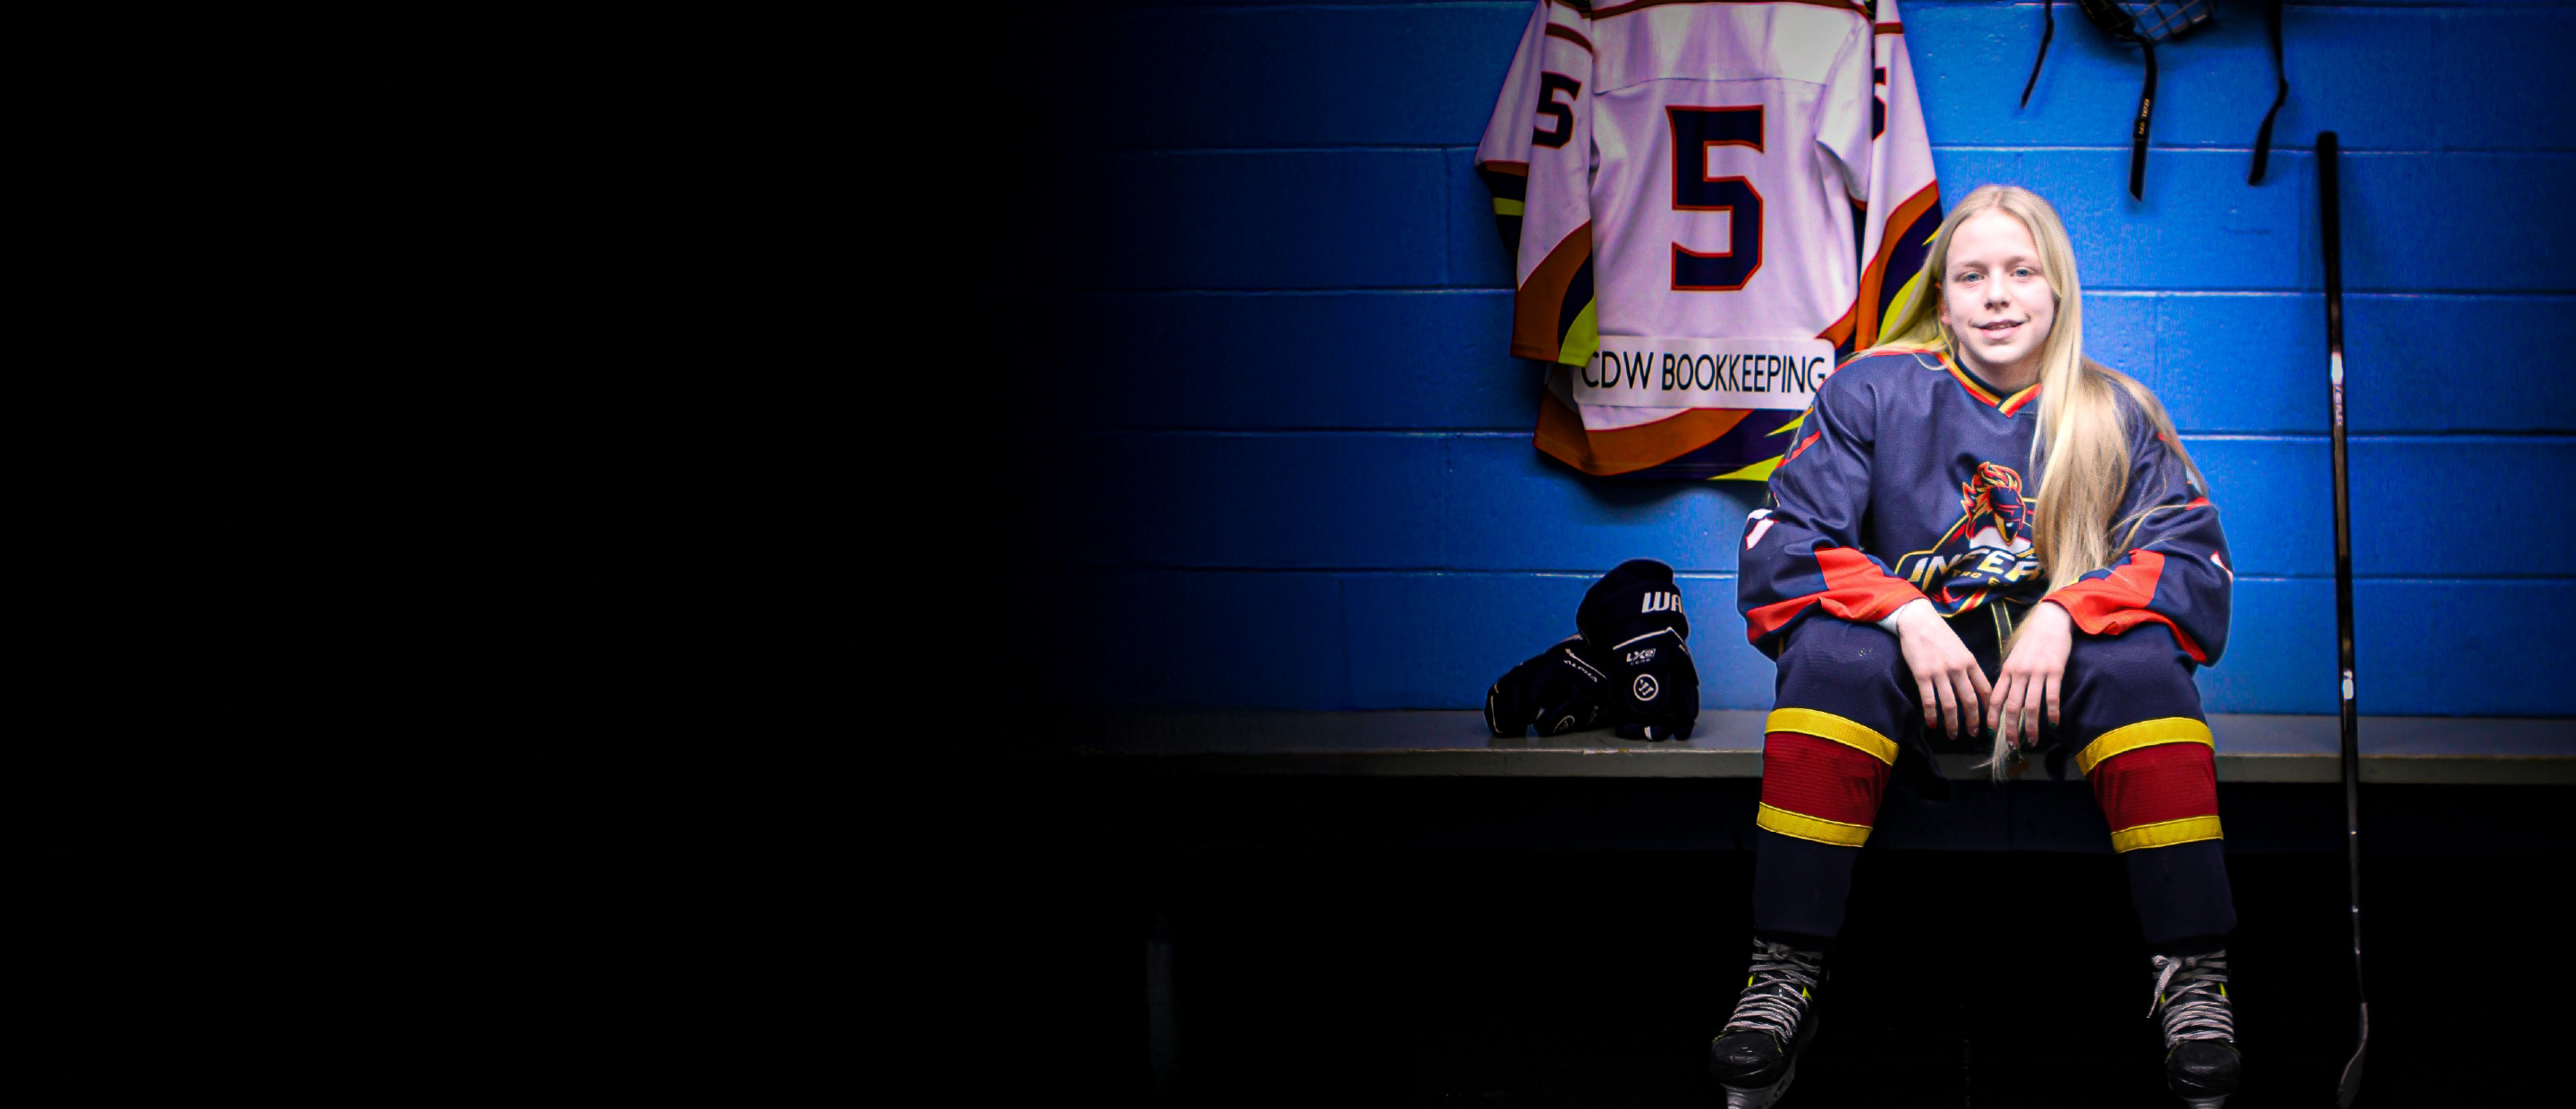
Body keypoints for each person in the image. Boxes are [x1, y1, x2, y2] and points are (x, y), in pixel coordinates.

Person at [1716, 185, 2241, 1109]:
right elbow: (1781, 543)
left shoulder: (2116, 410)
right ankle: (1784, 968)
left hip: (2055, 692)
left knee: (2142, 663)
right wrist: (1907, 614)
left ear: (2058, 289)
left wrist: (2068, 609)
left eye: (2020, 271)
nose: (1997, 295)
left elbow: (2191, 562)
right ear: (1943, 295)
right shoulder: (1870, 387)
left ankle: (2191, 974)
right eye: (1973, 275)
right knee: (1833, 654)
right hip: (1918, 691)